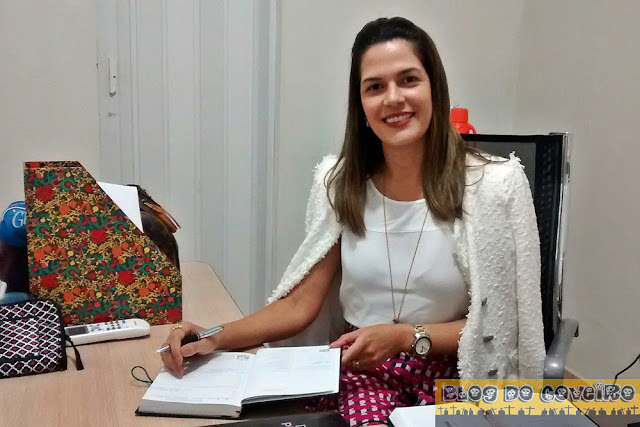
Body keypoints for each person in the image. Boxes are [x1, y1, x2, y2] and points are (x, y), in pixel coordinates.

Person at [161, 17, 545, 426]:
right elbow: (299, 304)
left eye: (409, 80)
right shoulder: (339, 184)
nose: (393, 98)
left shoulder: (494, 186)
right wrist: (212, 336)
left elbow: (499, 325)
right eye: (375, 87)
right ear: (360, 104)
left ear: (435, 89)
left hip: (455, 375)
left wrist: (406, 336)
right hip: (363, 373)